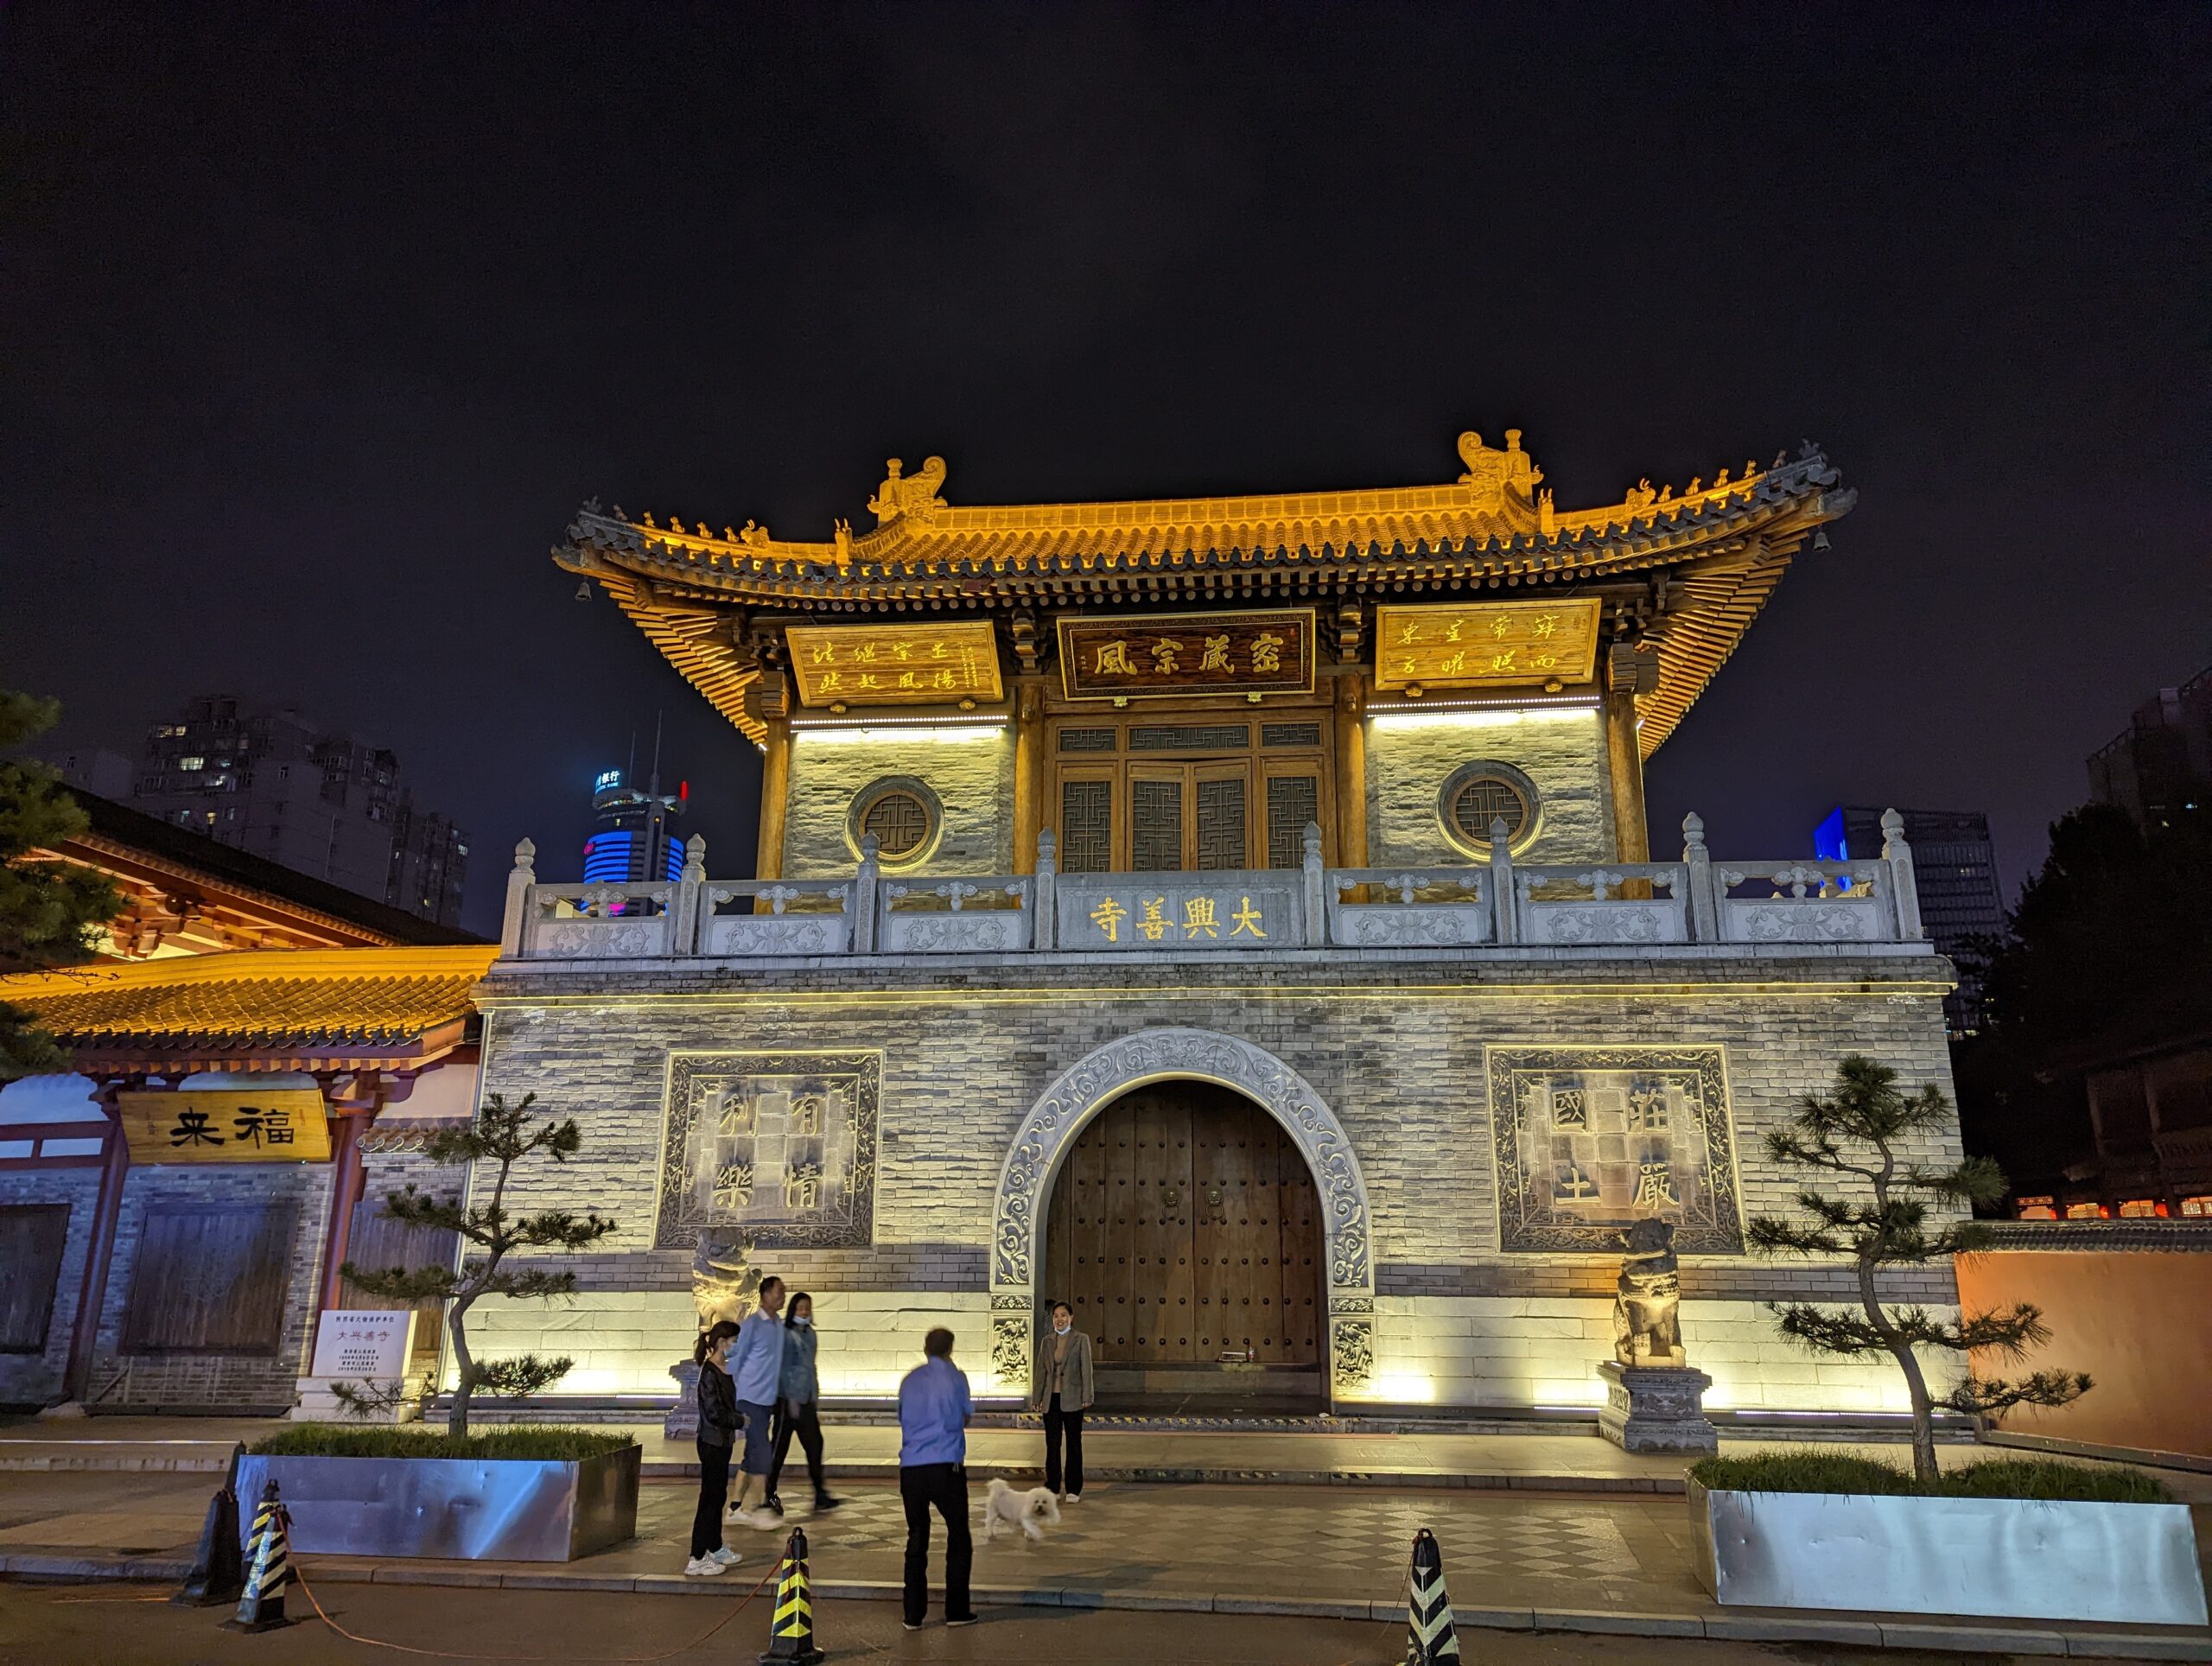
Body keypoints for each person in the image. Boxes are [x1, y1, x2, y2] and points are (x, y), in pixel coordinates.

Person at [896, 1326, 976, 1631]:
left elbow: (901, 1416)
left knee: (917, 1537)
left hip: (912, 1467)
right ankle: (956, 1611)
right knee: (958, 1536)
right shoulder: (957, 1378)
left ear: (925, 1349)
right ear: (949, 1349)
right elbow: (966, 1415)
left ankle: (913, 1614)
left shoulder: (910, 1379)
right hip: (946, 1466)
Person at [766, 1291, 842, 1516]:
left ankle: (820, 1494)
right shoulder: (785, 1335)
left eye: (807, 1307)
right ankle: (768, 1495)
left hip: (806, 1400)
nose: (804, 1312)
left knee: (815, 1445)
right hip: (787, 1402)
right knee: (778, 1450)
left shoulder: (811, 1334)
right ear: (793, 1310)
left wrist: (813, 1395)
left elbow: (810, 1366)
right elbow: (782, 1368)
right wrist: (789, 1399)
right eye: (800, 1308)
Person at [722, 1275, 787, 1529]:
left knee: (752, 1454)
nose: (783, 1296)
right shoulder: (752, 1324)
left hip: (768, 1398)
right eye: (778, 1292)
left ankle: (735, 1508)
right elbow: (737, 1357)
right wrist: (736, 1387)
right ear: (765, 1294)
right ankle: (761, 1508)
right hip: (750, 1398)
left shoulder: (778, 1324)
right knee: (763, 1451)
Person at [683, 1320, 742, 1577]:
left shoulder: (723, 1369)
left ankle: (715, 1546)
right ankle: (696, 1557)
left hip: (723, 1441)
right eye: (735, 1341)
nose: (737, 1346)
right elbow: (715, 1412)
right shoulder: (709, 1373)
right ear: (722, 1342)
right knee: (709, 1499)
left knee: (718, 1497)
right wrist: (742, 1421)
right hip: (711, 1442)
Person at [1031, 1300, 1093, 1503]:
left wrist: (1087, 1396)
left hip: (1073, 1399)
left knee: (1074, 1444)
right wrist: (1037, 1397)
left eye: (1063, 1315)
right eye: (1056, 1316)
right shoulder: (1047, 1341)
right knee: (1052, 1443)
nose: (1060, 1319)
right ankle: (1053, 1486)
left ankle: (1074, 1488)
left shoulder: (1081, 1339)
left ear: (1071, 1318)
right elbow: (1041, 1370)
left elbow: (1086, 1369)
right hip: (1051, 1399)